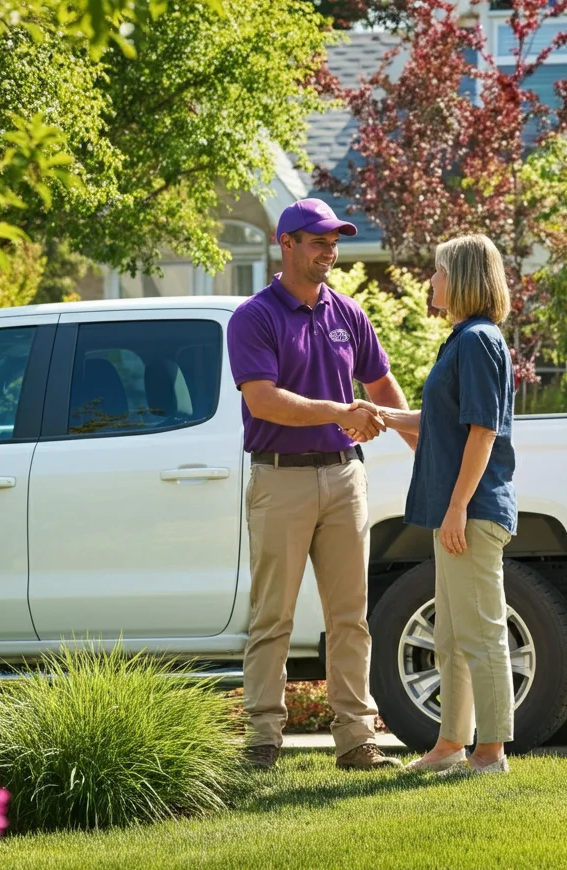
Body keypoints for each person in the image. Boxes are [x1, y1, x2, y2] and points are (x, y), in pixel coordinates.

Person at [227, 198, 415, 770]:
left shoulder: (348, 314)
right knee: (272, 616)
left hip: (343, 477)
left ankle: (357, 740)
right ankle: (262, 740)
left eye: (334, 241)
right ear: (287, 244)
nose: (329, 251)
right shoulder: (254, 317)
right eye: (318, 241)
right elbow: (263, 400)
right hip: (279, 480)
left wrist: (420, 445)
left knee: (350, 617)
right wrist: (340, 411)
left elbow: (381, 386)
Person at [356, 234, 517, 776]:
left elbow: (482, 432)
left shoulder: (478, 341)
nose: (432, 281)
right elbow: (441, 425)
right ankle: (451, 745)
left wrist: (457, 509)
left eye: (439, 272)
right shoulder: (461, 340)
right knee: (449, 636)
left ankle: (490, 753)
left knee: (480, 631)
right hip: (456, 509)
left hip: (470, 511)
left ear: (465, 279)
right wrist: (383, 416)